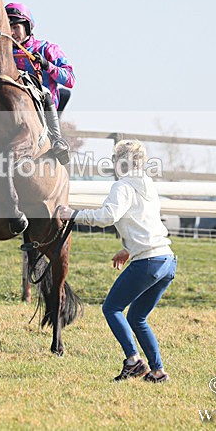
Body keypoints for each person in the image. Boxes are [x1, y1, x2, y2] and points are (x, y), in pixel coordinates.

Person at [58, 140, 176, 383]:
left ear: (120, 163)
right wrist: (126, 249)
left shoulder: (121, 186)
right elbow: (144, 221)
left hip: (148, 261)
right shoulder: (148, 185)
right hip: (166, 259)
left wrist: (73, 215)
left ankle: (133, 361)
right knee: (137, 317)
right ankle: (157, 371)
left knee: (111, 308)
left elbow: (107, 216)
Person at [0, 2, 75, 164]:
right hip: (7, 107)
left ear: (27, 27)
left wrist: (47, 65)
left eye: (16, 27)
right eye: (8, 27)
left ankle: (57, 140)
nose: (12, 33)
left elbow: (70, 79)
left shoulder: (46, 48)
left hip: (40, 103)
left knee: (45, 92)